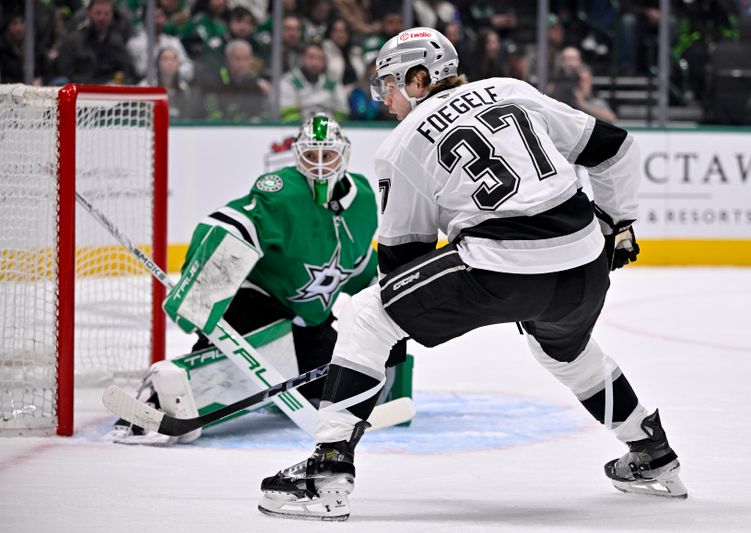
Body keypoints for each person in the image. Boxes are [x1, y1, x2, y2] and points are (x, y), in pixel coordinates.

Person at [258, 27, 687, 522]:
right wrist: (618, 225)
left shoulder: (402, 144)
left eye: (390, 85)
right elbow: (616, 147)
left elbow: (403, 258)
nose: (385, 100)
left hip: (500, 266)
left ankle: (326, 473)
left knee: (367, 315)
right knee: (566, 352)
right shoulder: (511, 89)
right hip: (585, 262)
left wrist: (383, 344)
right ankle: (651, 452)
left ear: (419, 80)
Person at [107, 113, 409, 444]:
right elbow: (231, 224)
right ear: (298, 156)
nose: (321, 164)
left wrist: (389, 313)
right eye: (311, 155)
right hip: (258, 303)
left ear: (344, 155)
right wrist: (202, 286)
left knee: (331, 380)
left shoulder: (362, 198)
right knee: (235, 364)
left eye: (329, 155)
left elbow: (360, 265)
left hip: (310, 324)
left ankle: (278, 386)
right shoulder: (283, 192)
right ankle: (153, 398)